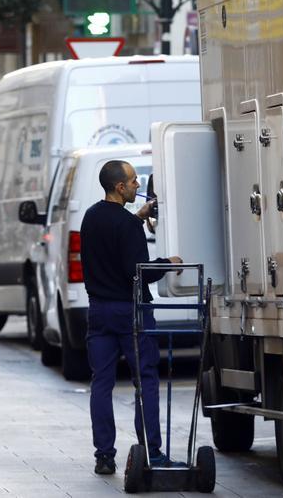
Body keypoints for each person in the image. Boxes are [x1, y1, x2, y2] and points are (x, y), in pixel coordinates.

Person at [80, 160, 182, 475]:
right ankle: (152, 453)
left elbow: (115, 235)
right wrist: (169, 262)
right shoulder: (126, 225)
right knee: (146, 381)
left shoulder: (91, 217)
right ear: (120, 187)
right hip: (131, 311)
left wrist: (137, 219)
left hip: (98, 310)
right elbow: (137, 273)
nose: (139, 185)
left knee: (101, 383)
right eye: (134, 181)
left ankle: (104, 456)